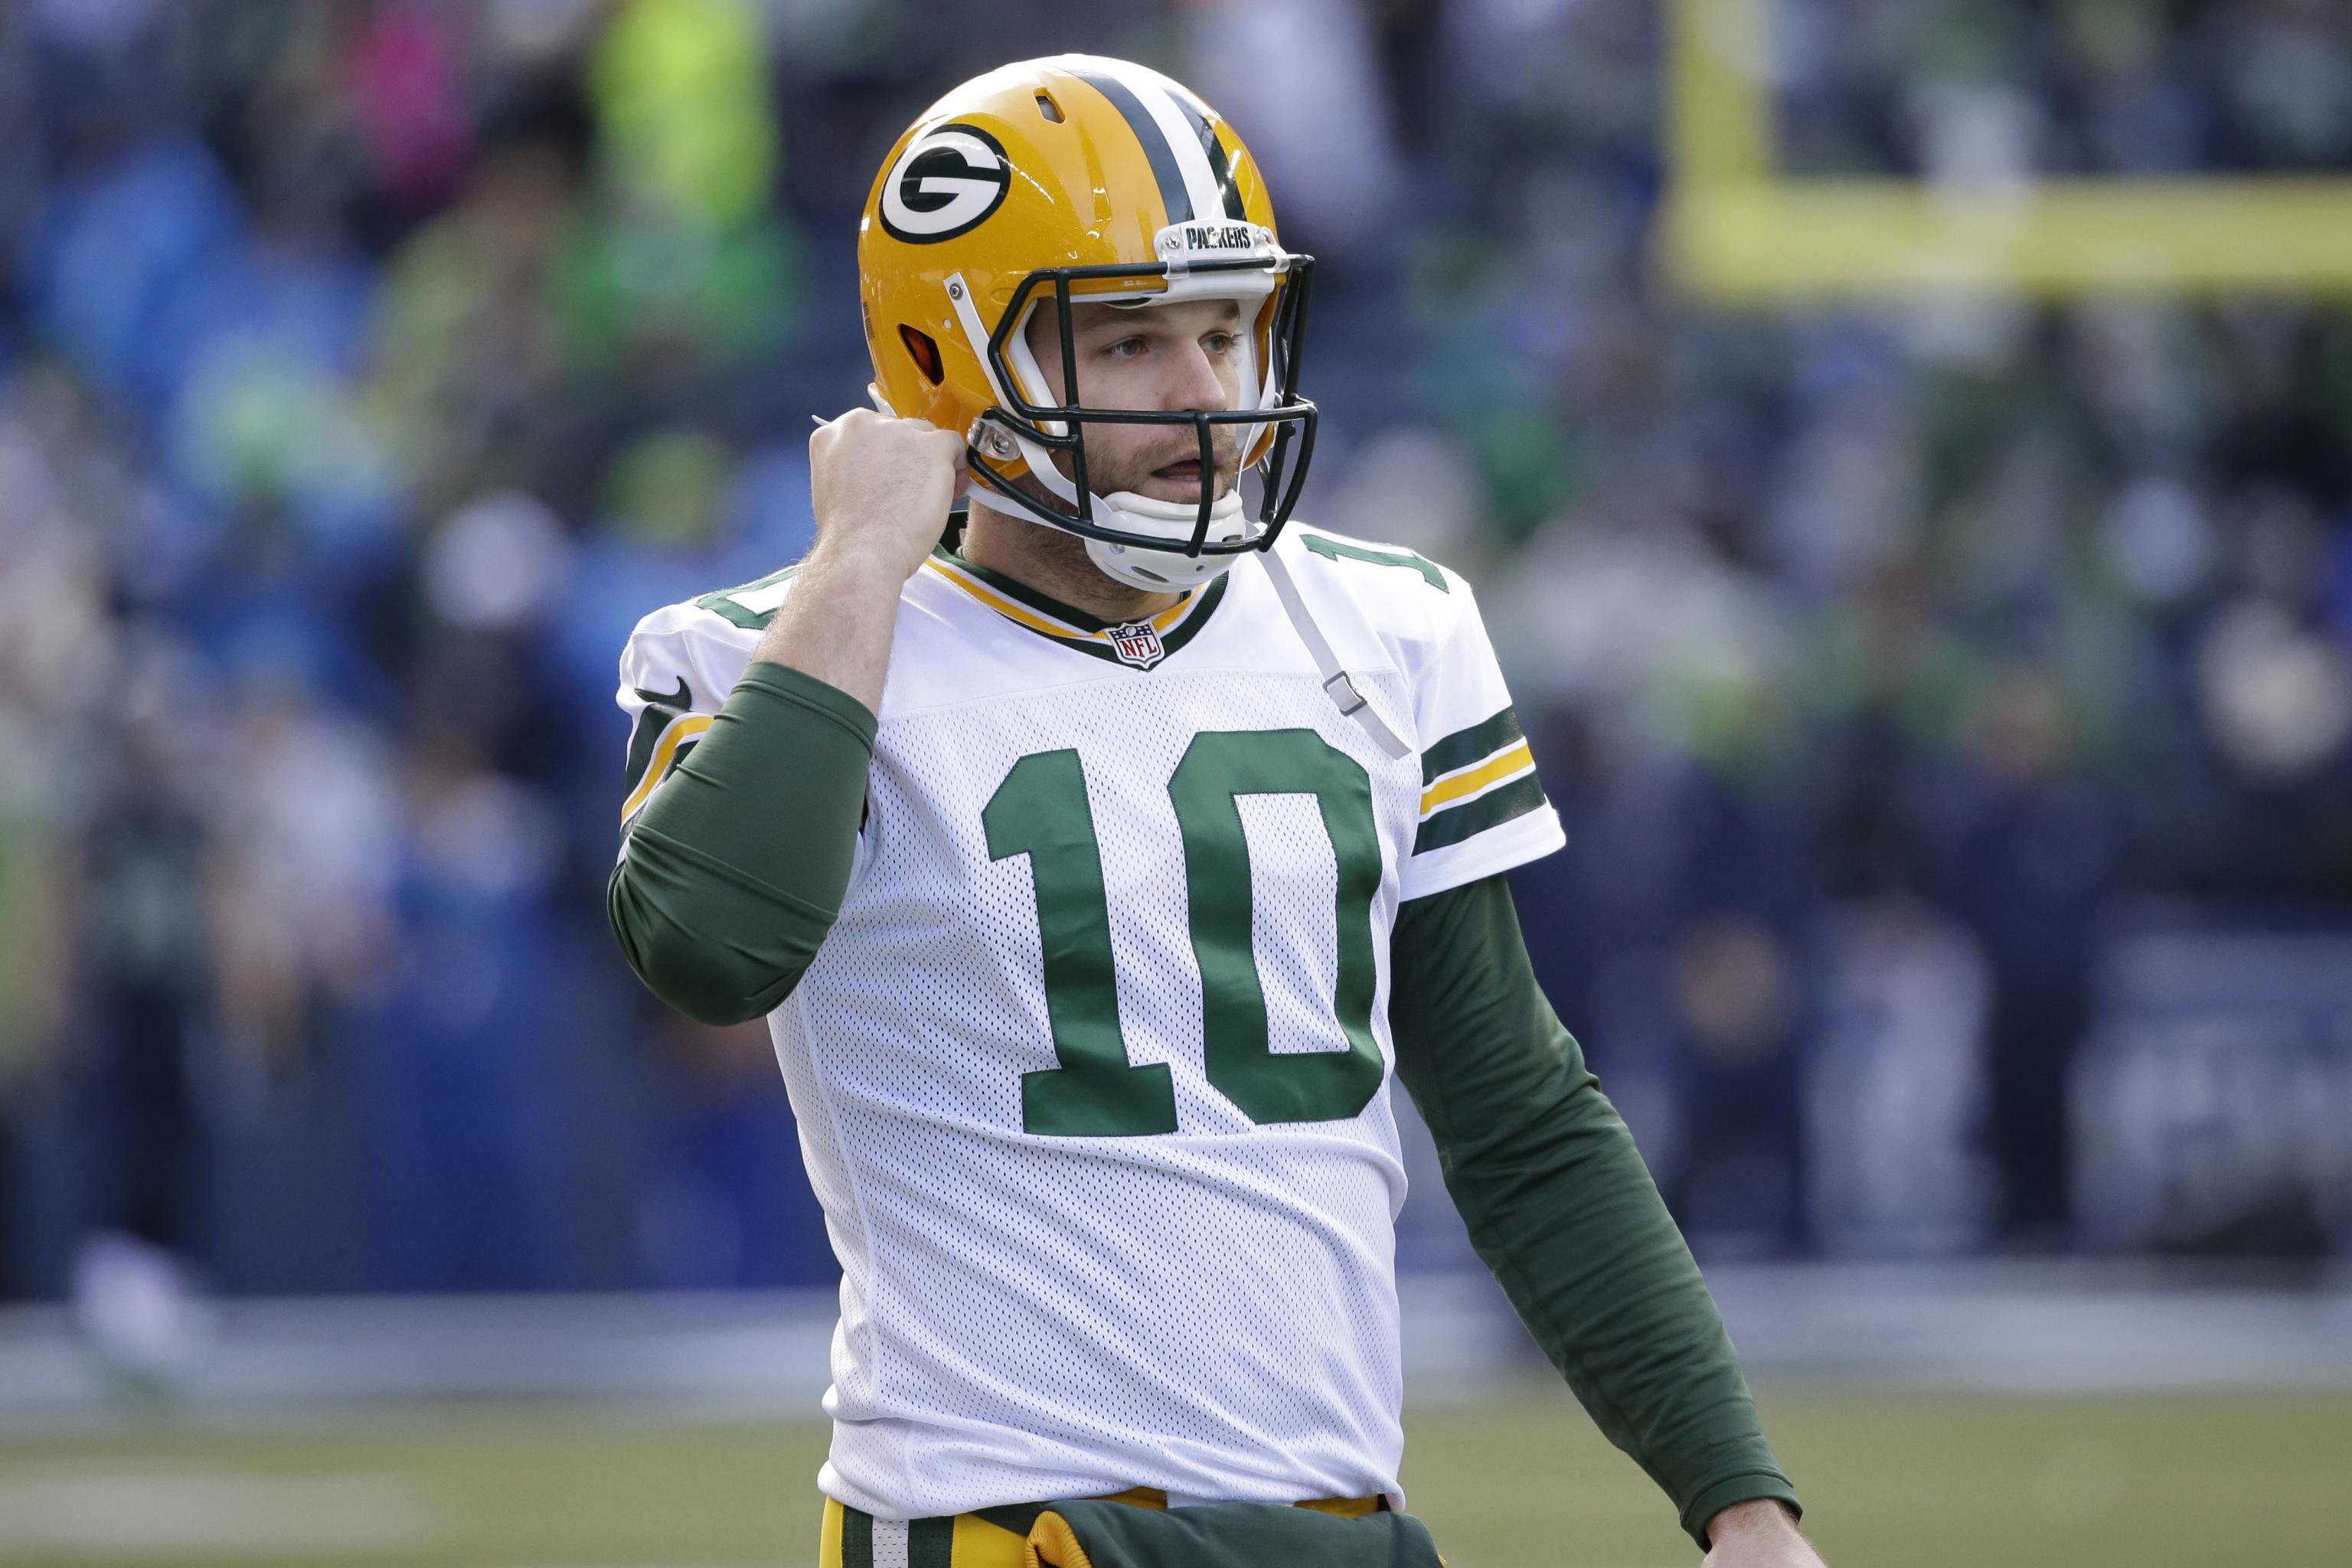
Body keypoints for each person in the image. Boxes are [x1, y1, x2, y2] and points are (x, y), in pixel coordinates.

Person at [609, 54, 1821, 1568]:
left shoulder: (1390, 623)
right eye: (1126, 342)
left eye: (1227, 326)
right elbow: (709, 949)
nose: (1204, 395)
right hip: (1003, 1524)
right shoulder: (777, 646)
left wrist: (1740, 1502)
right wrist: (858, 561)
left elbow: (1518, 1112)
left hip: (1347, 1526)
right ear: (950, 369)